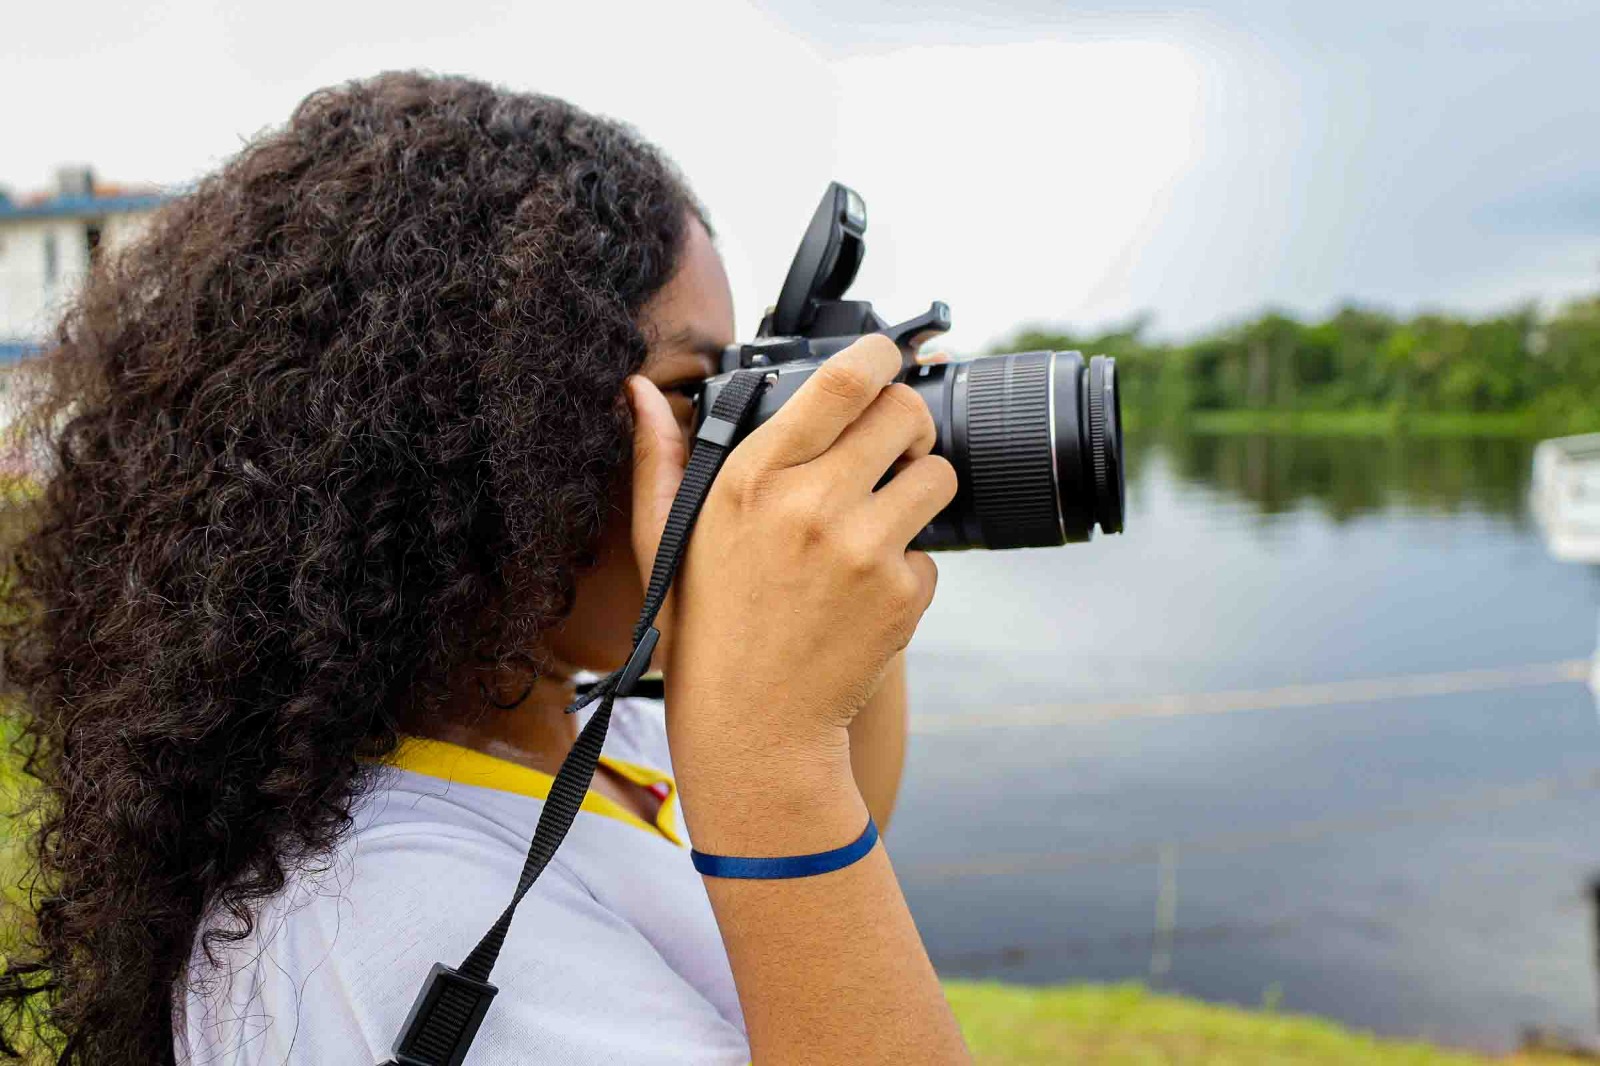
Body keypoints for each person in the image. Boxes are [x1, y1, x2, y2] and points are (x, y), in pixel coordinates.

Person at [0, 72, 971, 1065]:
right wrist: (768, 755)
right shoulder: (383, 912)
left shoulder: (588, 733)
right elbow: (789, 803)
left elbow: (843, 804)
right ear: (474, 445)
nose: (737, 447)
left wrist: (852, 505)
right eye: (695, 392)